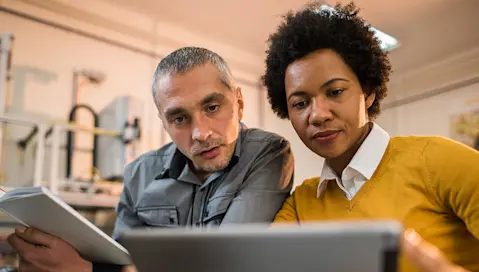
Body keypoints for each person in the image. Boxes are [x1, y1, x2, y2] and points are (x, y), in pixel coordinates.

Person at [6, 47, 295, 271]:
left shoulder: (268, 153)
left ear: (239, 104)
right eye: (179, 118)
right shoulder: (139, 173)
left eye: (212, 107)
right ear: (164, 123)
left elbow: (226, 263)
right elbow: (121, 260)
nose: (200, 133)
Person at [262, 2, 479, 272]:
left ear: (368, 92)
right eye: (300, 103)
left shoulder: (438, 162)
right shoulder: (300, 204)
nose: (317, 115)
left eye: (335, 92)